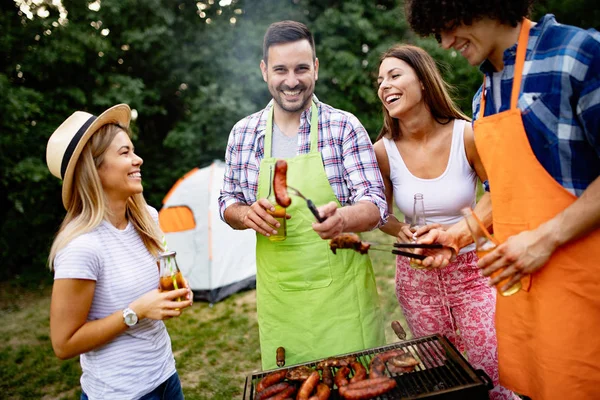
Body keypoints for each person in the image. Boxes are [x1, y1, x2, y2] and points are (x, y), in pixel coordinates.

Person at [405, 1, 600, 398]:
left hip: (584, 301)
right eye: (436, 30)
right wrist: (456, 236)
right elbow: (504, 190)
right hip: (523, 310)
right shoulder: (484, 96)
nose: (444, 42)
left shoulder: (579, 55)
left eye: (450, 23)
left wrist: (544, 240)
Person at [218, 20, 388, 369]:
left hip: (344, 305)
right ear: (265, 70)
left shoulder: (344, 127)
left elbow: (376, 203)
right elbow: (227, 201)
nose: (291, 81)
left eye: (301, 68)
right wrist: (244, 214)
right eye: (280, 69)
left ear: (316, 68)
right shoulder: (243, 133)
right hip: (283, 307)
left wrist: (343, 218)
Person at [374, 44, 516, 400]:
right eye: (379, 80)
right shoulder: (383, 151)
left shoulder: (466, 135)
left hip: (473, 272)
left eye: (394, 75)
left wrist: (460, 233)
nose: (384, 85)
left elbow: (500, 194)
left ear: (423, 81)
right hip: (416, 278)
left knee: (494, 371)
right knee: (442, 379)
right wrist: (399, 229)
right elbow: (379, 212)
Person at [46, 104, 193, 400]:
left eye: (133, 150)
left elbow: (156, 286)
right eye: (124, 153)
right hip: (121, 393)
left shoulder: (147, 217)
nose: (138, 159)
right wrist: (135, 312)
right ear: (95, 168)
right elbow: (63, 344)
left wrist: (174, 292)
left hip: (166, 378)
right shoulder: (81, 247)